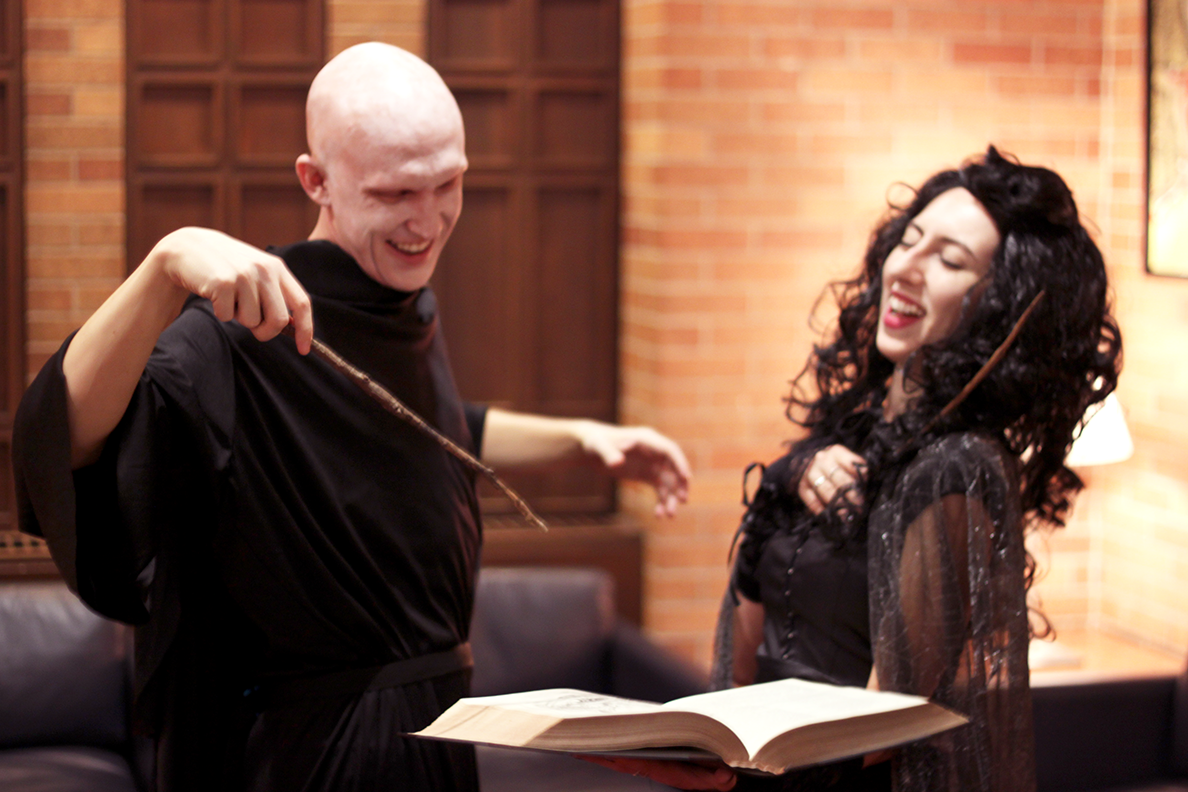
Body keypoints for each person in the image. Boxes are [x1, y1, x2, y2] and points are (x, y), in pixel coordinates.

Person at [12, 42, 689, 792]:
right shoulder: (242, 332)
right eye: (396, 194)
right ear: (316, 181)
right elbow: (64, 442)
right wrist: (164, 266)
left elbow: (431, 433)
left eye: (449, 184)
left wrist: (586, 441)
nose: (427, 220)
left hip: (433, 736)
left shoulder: (395, 300)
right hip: (308, 758)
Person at [584, 147, 1122, 792]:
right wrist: (783, 479)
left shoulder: (958, 466)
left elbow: (888, 719)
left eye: (950, 260)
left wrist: (728, 765)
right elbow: (745, 648)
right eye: (910, 240)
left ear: (1000, 307)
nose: (907, 268)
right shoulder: (845, 437)